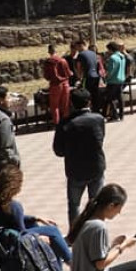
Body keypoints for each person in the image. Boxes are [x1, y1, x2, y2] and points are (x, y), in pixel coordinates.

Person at [0, 165, 71, 263]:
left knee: (32, 224)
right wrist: (38, 238)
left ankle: (57, 262)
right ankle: (70, 261)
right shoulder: (14, 206)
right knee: (53, 231)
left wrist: (35, 218)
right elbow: (22, 233)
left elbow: (13, 219)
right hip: (13, 242)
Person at [53, 88, 106, 223]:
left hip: (75, 170)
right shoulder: (98, 119)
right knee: (97, 203)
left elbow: (58, 150)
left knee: (74, 205)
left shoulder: (65, 124)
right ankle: (96, 229)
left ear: (71, 103)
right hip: (96, 167)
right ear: (89, 102)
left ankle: (74, 235)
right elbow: (100, 139)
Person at [43, 44, 73, 125]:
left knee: (55, 106)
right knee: (65, 105)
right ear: (56, 51)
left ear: (49, 51)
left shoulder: (48, 62)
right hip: (65, 84)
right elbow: (69, 73)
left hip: (55, 85)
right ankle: (66, 122)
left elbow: (46, 76)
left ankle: (57, 123)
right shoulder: (63, 60)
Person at [73, 39, 101, 113]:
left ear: (80, 46)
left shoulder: (81, 54)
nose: (77, 50)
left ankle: (88, 111)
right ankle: (97, 111)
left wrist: (79, 78)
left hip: (87, 77)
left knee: (86, 94)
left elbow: (79, 68)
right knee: (95, 95)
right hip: (96, 76)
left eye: (77, 48)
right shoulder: (93, 53)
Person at [103, 41, 127, 122]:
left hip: (113, 80)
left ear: (111, 49)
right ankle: (121, 115)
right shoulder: (122, 56)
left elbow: (111, 71)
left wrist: (106, 78)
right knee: (120, 98)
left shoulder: (112, 58)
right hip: (121, 79)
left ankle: (115, 115)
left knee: (110, 98)